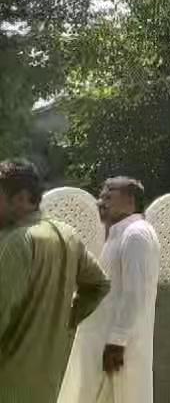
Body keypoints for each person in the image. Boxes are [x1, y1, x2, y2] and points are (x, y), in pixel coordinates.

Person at [0, 159, 110, 403]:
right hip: (48, 382)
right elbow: (100, 284)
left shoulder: (18, 242)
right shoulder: (67, 234)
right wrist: (69, 320)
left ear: (21, 197)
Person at [60, 178, 161, 403]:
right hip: (101, 341)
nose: (100, 201)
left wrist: (117, 342)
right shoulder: (120, 233)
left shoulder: (136, 235)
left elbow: (135, 293)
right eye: (100, 196)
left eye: (108, 196)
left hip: (116, 348)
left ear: (130, 200)